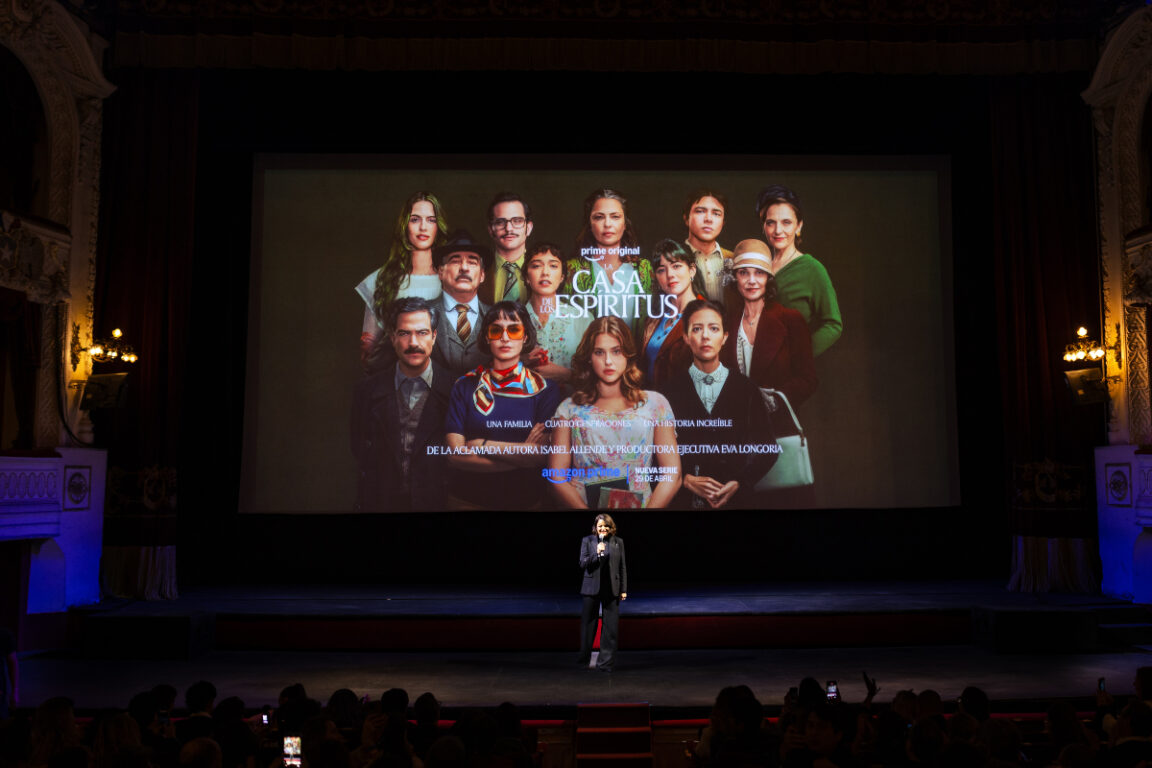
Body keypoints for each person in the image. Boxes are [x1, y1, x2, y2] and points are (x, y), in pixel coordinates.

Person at [548, 316, 681, 509]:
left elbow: (673, 474)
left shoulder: (655, 404)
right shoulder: (569, 409)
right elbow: (556, 477)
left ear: (628, 354)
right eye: (599, 352)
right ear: (588, 357)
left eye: (616, 351)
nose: (608, 361)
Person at [444, 301, 563, 510]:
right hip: (466, 502)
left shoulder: (545, 389)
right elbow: (455, 456)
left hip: (525, 504)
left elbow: (541, 457)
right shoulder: (464, 385)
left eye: (514, 330)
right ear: (487, 337)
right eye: (496, 330)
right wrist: (521, 456)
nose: (505, 338)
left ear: (525, 336)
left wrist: (482, 445)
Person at [663, 299, 777, 509]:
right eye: (697, 329)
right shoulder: (668, 393)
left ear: (725, 337)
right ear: (686, 337)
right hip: (684, 503)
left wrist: (739, 482)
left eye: (713, 328)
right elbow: (654, 452)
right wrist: (685, 479)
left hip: (737, 503)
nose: (705, 336)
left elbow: (768, 448)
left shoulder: (746, 389)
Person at [351, 297, 453, 512]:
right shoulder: (367, 391)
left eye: (422, 333)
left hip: (438, 504)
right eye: (405, 333)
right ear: (392, 338)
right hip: (380, 504)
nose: (414, 343)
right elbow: (358, 448)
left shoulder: (455, 390)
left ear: (434, 337)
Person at [720, 240, 817, 416]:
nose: (751, 281)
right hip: (736, 428)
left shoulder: (790, 320)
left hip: (778, 427)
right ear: (735, 278)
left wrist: (778, 399)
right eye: (743, 273)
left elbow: (808, 380)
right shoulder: (727, 322)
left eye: (759, 273)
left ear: (768, 278)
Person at [356, 192, 449, 361]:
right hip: (395, 378)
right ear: (405, 225)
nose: (423, 227)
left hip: (444, 381)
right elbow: (368, 350)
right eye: (415, 219)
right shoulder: (382, 279)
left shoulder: (451, 278)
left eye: (431, 220)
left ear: (438, 226)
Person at [755, 184, 842, 356]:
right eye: (771, 223)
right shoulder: (758, 267)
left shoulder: (812, 269)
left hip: (790, 373)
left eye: (786, 222)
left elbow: (833, 324)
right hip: (755, 366)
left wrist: (800, 355)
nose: (778, 230)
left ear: (799, 226)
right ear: (763, 226)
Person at [565, 189, 654, 339]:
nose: (607, 224)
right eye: (599, 217)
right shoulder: (572, 269)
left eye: (615, 217)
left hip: (636, 360)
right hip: (586, 358)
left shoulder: (643, 268)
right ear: (589, 224)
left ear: (625, 223)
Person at [523, 242, 592, 383]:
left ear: (562, 277)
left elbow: (597, 375)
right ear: (526, 277)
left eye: (553, 266)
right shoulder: (512, 318)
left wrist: (566, 375)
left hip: (572, 400)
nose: (545, 272)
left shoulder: (582, 319)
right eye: (536, 266)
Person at [640, 239, 703, 390]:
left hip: (683, 406)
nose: (670, 275)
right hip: (651, 404)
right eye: (661, 270)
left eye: (676, 266)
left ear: (692, 270)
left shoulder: (706, 315)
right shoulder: (654, 318)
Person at [431, 229, 492, 378]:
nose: (464, 267)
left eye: (472, 262)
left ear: (482, 275)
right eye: (455, 260)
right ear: (440, 272)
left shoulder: (496, 317)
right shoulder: (418, 314)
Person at [578, 513, 627, 672]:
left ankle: (606, 663)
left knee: (610, 627)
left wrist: (623, 589)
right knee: (588, 625)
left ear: (610, 527)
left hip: (611, 588)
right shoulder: (588, 541)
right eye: (600, 526)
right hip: (591, 588)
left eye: (606, 526)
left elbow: (622, 567)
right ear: (595, 528)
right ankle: (584, 660)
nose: (603, 528)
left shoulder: (618, 542)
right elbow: (583, 563)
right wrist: (596, 553)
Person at [479, 192, 534, 305]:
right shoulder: (478, 270)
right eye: (500, 222)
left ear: (528, 228)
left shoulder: (545, 270)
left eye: (517, 221)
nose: (509, 228)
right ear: (490, 229)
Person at [683, 189, 732, 303]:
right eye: (700, 211)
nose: (708, 219)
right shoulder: (671, 260)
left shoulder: (735, 260)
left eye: (716, 213)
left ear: (723, 222)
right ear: (686, 218)